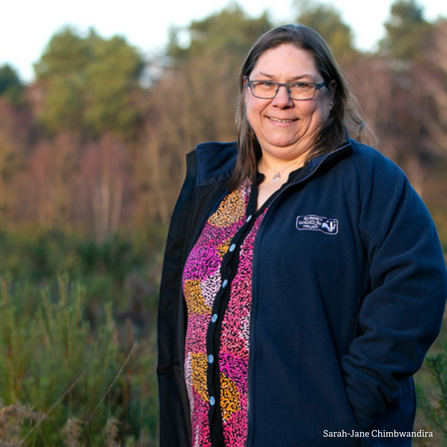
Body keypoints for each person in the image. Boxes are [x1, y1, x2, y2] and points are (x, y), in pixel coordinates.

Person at [157, 24, 447, 447]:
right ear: (246, 92)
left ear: (330, 98)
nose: (281, 99)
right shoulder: (213, 186)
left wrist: (348, 411)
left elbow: (416, 286)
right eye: (266, 83)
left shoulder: (367, 180)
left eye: (301, 85)